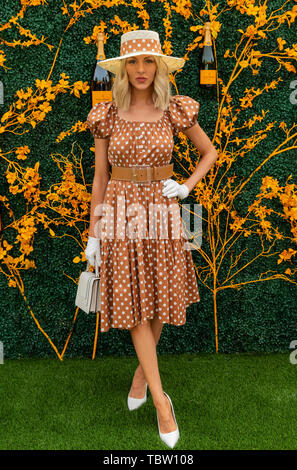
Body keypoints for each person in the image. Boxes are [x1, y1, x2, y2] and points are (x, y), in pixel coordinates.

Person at [85, 30, 218, 448]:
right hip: (121, 211)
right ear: (122, 69)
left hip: (163, 210)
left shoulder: (175, 110)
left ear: (158, 67)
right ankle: (163, 403)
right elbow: (101, 176)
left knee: (160, 293)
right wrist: (94, 233)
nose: (141, 70)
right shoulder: (106, 115)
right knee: (134, 301)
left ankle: (143, 376)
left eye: (148, 62)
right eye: (133, 62)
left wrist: (187, 187)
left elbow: (210, 152)